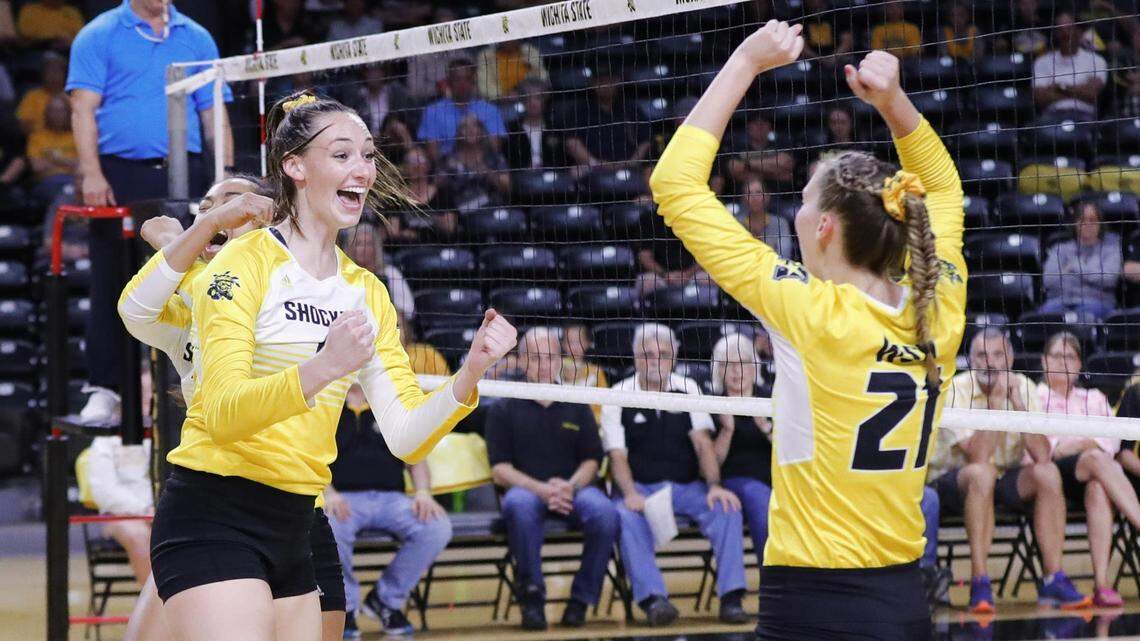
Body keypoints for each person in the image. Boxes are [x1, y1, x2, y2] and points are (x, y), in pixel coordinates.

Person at [147, 91, 517, 641]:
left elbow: (408, 438)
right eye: (342, 154)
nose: (363, 170)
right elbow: (222, 414)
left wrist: (469, 375)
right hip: (214, 511)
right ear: (294, 166)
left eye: (368, 155)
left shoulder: (367, 290)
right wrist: (324, 367)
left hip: (298, 519)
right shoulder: (242, 261)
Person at [651, 22, 967, 638]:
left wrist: (743, 59)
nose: (793, 213)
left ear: (823, 227)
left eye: (802, 201)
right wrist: (895, 103)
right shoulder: (940, 302)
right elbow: (947, 190)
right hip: (906, 600)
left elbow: (674, 185)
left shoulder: (809, 312)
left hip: (812, 603)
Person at [117, 176, 353, 641]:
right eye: (204, 208)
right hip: (212, 503)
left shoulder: (302, 290)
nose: (213, 215)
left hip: (296, 513)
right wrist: (197, 234)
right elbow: (140, 310)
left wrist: (169, 238)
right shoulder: (196, 300)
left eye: (232, 205)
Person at [67, 0, 234, 424]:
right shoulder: (99, 33)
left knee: (196, 279)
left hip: (188, 173)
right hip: (122, 174)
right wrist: (91, 173)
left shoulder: (196, 36)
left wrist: (225, 181)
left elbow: (215, 113)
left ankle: (198, 383)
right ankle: (105, 390)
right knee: (113, 279)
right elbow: (82, 109)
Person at [929, 328, 1085, 613]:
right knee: (982, 473)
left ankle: (1053, 578)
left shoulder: (1024, 386)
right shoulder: (954, 388)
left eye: (999, 354)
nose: (991, 362)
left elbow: (1041, 454)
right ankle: (980, 581)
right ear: (970, 360)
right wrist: (997, 403)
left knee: (1047, 472)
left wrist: (1018, 405)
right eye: (982, 355)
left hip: (1003, 478)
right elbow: (979, 455)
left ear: (1011, 359)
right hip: (954, 481)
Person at [604, 323, 748, 627]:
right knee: (625, 516)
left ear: (674, 357)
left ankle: (732, 598)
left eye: (663, 354)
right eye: (648, 354)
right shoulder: (618, 394)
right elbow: (617, 454)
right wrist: (630, 493)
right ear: (635, 357)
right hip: (641, 486)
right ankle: (653, 600)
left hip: (685, 487)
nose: (655, 360)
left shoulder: (688, 387)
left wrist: (715, 486)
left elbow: (702, 442)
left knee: (726, 508)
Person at [485, 327, 619, 630]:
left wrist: (569, 486)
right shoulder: (504, 405)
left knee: (606, 513)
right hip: (527, 489)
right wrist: (542, 490)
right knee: (518, 505)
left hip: (573, 488)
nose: (544, 365)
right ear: (521, 361)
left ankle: (581, 600)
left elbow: (592, 461)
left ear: (560, 359)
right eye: (535, 358)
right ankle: (531, 598)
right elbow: (499, 469)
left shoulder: (576, 401)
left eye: (550, 357)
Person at [327, 382, 452, 639]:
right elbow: (310, 453)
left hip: (392, 499)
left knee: (436, 527)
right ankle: (346, 608)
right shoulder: (326, 398)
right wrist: (326, 492)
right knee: (326, 525)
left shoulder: (390, 401)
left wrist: (423, 493)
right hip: (343, 500)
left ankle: (385, 600)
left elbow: (415, 456)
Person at [1037, 331, 1140, 606]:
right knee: (1095, 458)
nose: (1064, 362)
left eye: (1070, 356)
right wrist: (1090, 441)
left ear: (1080, 365)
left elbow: (1113, 440)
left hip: (1096, 472)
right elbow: (1052, 449)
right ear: (1044, 362)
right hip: (1053, 475)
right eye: (1057, 356)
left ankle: (1102, 585)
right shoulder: (1036, 395)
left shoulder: (1093, 397)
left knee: (1097, 487)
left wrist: (1082, 442)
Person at [709, 333, 772, 566]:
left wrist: (764, 426)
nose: (737, 371)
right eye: (728, 365)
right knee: (760, 501)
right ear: (719, 371)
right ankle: (771, 582)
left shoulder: (770, 397)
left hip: (776, 478)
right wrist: (727, 431)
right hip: (735, 480)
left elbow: (789, 447)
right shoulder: (712, 403)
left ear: (754, 366)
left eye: (743, 363)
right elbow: (711, 463)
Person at [86, 433, 153, 584]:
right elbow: (105, 491)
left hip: (161, 510)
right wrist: (144, 509)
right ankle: (157, 605)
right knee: (139, 536)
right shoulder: (104, 441)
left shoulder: (167, 431)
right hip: (120, 515)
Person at [1040, 200, 1121, 321]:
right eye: (1083, 220)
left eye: (1092, 220)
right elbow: (1048, 280)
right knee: (1041, 318)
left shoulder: (1111, 250)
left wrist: (1074, 268)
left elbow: (1109, 279)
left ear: (1100, 224)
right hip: (1060, 302)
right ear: (1075, 224)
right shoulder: (1059, 249)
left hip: (1096, 303)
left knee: (1084, 318)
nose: (1087, 224)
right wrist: (1093, 275)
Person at [416, 58, 506, 163]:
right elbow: (432, 153)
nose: (462, 84)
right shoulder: (432, 112)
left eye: (467, 79)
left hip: (484, 170)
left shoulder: (490, 110)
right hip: (448, 171)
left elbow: (494, 148)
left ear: (474, 81)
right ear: (449, 82)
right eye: (457, 79)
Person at [563, 64, 650, 169]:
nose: (605, 85)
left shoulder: (631, 109)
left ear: (617, 81)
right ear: (592, 83)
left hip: (630, 168)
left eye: (609, 80)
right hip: (591, 168)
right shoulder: (579, 111)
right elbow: (572, 142)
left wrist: (632, 163)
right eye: (600, 81)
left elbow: (645, 141)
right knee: (576, 172)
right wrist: (595, 163)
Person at [1032, 11, 1108, 120]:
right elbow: (1040, 97)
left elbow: (1092, 94)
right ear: (1056, 34)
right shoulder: (1042, 61)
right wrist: (1080, 89)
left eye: (1069, 28)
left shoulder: (1096, 60)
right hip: (1052, 116)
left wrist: (1059, 88)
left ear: (1079, 31)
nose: (1065, 34)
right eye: (1060, 29)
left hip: (1085, 115)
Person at [337, 220, 414, 321]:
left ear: (376, 247)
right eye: (359, 244)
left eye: (368, 244)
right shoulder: (341, 275)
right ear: (350, 248)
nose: (364, 249)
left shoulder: (390, 273)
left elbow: (408, 309)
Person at [441, 114, 511, 213]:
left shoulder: (493, 157)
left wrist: (488, 173)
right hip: (462, 213)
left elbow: (507, 186)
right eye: (465, 127)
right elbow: (440, 187)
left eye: (475, 125)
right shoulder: (449, 160)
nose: (470, 130)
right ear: (459, 133)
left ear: (481, 131)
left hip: (493, 210)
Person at [504, 80, 568, 171]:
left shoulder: (557, 128)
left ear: (545, 101)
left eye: (538, 98)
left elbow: (565, 160)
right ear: (522, 102)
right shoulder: (511, 129)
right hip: (521, 180)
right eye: (527, 98)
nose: (532, 103)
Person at [26, 94, 77, 202]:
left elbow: (83, 166)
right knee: (67, 192)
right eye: (53, 111)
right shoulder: (37, 137)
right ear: (47, 113)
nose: (57, 115)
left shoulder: (78, 136)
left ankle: (53, 219)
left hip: (74, 180)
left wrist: (56, 159)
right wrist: (69, 163)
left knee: (70, 191)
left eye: (61, 111)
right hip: (47, 183)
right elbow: (37, 167)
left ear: (68, 113)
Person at [724, 112, 796, 189]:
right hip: (745, 195)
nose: (760, 126)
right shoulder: (738, 147)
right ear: (748, 127)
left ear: (770, 126)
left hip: (781, 193)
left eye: (764, 122)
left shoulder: (780, 144)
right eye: (755, 123)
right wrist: (774, 172)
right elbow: (734, 168)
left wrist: (747, 166)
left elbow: (786, 166)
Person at [475, 40, 549, 101]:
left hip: (529, 98)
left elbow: (542, 78)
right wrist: (505, 96)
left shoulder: (530, 51)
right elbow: (485, 88)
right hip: (499, 103)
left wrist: (524, 94)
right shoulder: (485, 56)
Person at [15, 51, 66, 135]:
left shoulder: (74, 96)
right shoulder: (31, 96)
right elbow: (23, 125)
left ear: (65, 74)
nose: (53, 75)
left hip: (71, 144)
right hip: (40, 143)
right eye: (50, 71)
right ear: (43, 74)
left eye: (57, 71)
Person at [15, 0, 84, 47]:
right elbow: (26, 34)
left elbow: (81, 35)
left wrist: (69, 42)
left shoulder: (72, 12)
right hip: (41, 48)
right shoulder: (29, 10)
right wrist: (53, 38)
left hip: (69, 48)